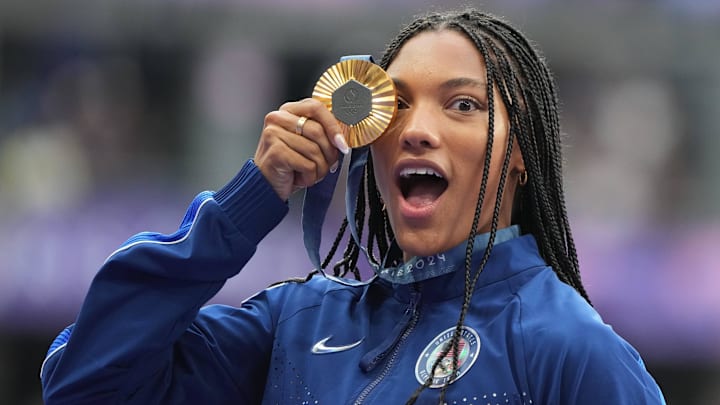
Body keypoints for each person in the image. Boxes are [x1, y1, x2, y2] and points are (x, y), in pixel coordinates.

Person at [40, 8, 666, 405]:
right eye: (398, 106)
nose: (416, 130)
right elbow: (84, 384)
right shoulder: (297, 324)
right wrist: (244, 207)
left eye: (463, 105)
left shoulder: (569, 350)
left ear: (521, 149)